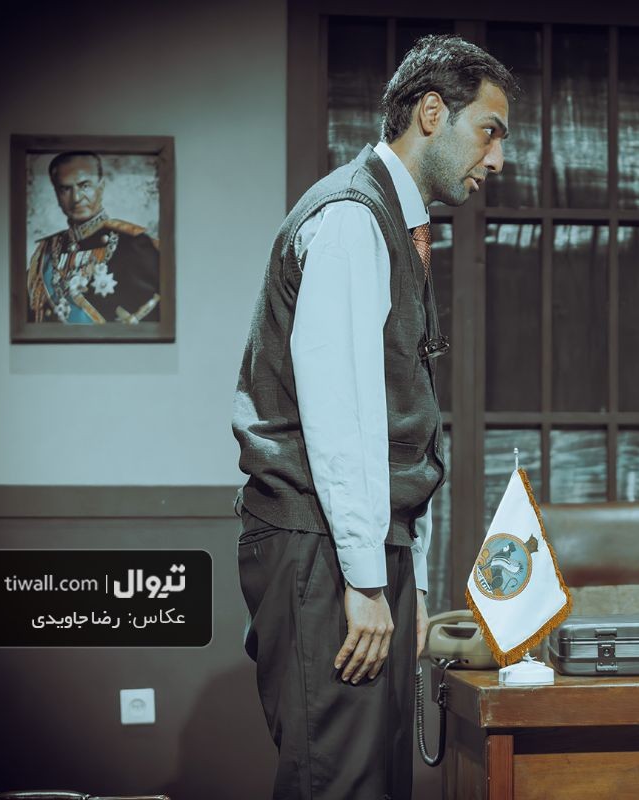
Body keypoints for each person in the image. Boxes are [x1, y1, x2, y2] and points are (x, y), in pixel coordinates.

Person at [231, 35, 515, 800]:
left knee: (378, 779)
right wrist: (364, 578)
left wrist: (404, 576)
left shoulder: (393, 222)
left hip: (357, 547)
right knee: (339, 780)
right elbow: (338, 415)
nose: (497, 159)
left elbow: (391, 418)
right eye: (489, 131)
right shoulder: (352, 217)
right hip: (322, 547)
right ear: (433, 113)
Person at [27, 151, 161, 324]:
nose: (76, 198)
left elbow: (155, 316)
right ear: (57, 195)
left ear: (101, 187)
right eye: (66, 189)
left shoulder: (133, 243)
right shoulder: (45, 252)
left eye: (84, 186)